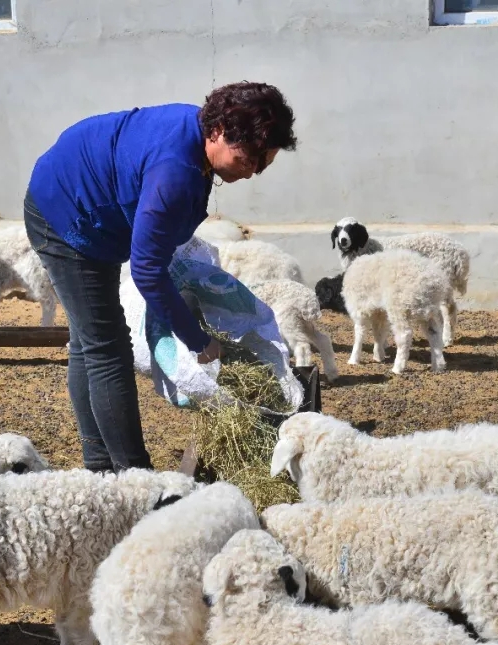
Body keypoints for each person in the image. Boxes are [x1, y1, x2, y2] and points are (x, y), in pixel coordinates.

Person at [23, 81, 297, 473]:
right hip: (65, 212)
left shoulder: (199, 134)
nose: (253, 172)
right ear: (219, 132)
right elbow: (148, 271)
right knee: (106, 345)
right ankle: (134, 475)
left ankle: (100, 465)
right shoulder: (175, 172)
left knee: (90, 339)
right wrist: (198, 341)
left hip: (87, 198)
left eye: (263, 164)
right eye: (248, 158)